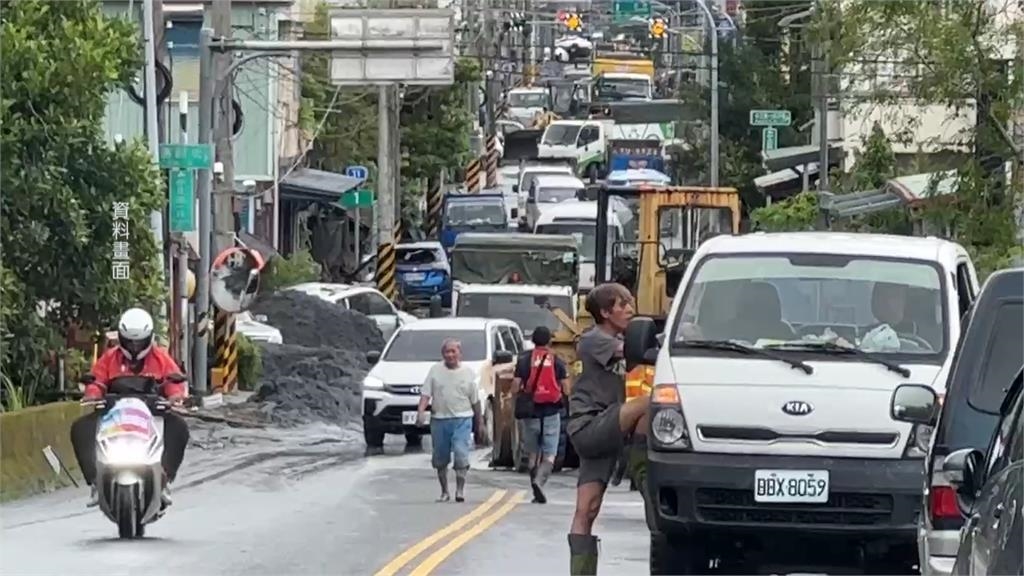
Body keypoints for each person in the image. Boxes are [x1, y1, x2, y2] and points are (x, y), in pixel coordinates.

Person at [566, 283, 650, 576]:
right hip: (590, 425)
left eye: (630, 302)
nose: (629, 309)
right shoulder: (595, 339)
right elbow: (639, 352)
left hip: (609, 427)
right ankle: (643, 475)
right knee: (654, 401)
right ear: (604, 312)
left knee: (586, 510)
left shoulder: (615, 337)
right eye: (622, 304)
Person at [70, 307, 190, 508]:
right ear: (121, 338)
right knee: (80, 428)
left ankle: (164, 479)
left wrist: (175, 398)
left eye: (139, 341)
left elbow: (174, 384)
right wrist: (92, 395)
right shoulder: (109, 358)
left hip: (152, 416)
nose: (134, 346)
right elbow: (96, 381)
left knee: (179, 428)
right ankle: (94, 482)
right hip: (114, 416)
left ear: (149, 338)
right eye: (130, 341)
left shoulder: (161, 359)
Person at [417, 338, 483, 503]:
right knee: (440, 458)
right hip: (439, 420)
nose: (450, 355)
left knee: (461, 455)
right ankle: (444, 491)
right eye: (447, 352)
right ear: (443, 354)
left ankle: (460, 490)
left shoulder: (468, 373)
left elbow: (475, 401)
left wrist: (480, 423)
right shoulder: (435, 371)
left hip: (462, 419)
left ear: (460, 353)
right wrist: (421, 412)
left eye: (454, 351)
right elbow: (426, 394)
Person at [513, 326, 570, 504]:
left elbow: (515, 386)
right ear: (549, 341)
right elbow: (567, 388)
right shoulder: (557, 361)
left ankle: (534, 485)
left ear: (532, 341)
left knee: (532, 453)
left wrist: (518, 398)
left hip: (531, 411)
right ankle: (540, 482)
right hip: (552, 411)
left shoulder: (524, 360)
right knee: (550, 454)